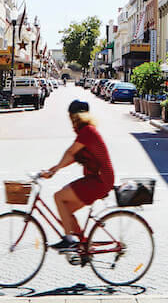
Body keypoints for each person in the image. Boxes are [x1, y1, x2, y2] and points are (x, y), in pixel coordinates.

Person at [39, 99, 114, 253]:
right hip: (97, 180)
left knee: (59, 197)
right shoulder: (86, 132)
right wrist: (52, 170)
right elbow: (72, 158)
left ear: (76, 117)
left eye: (71, 118)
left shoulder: (87, 132)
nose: (71, 123)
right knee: (66, 209)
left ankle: (69, 240)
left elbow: (71, 152)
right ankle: (83, 245)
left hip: (100, 180)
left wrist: (53, 172)